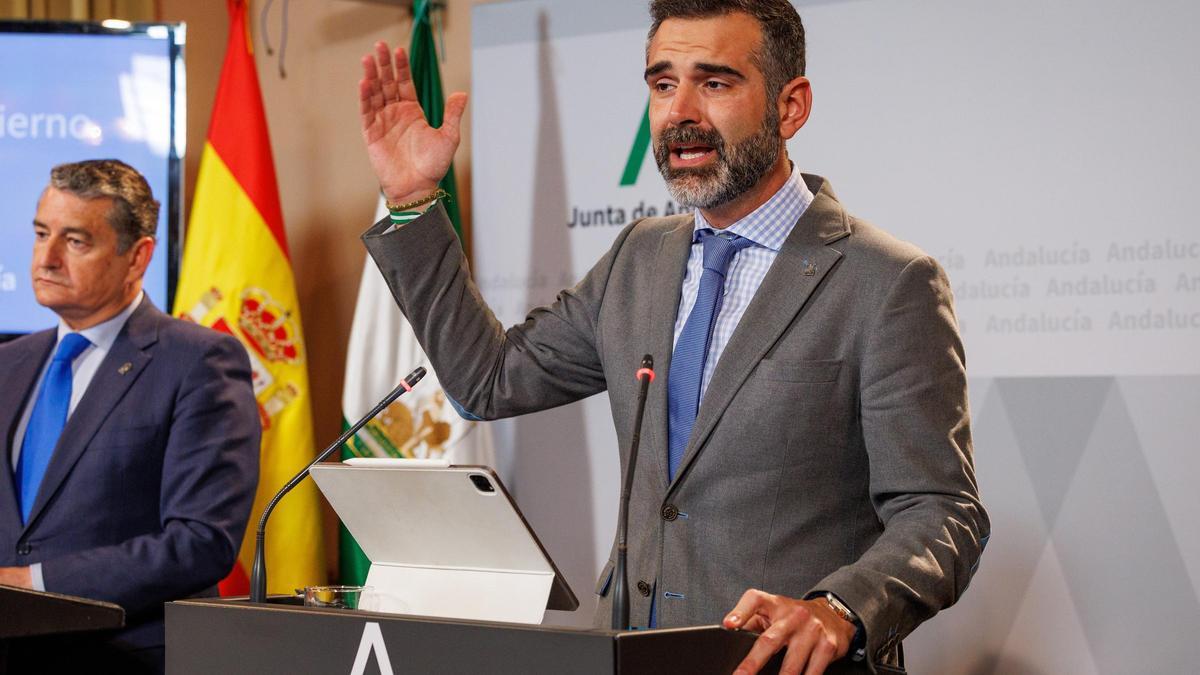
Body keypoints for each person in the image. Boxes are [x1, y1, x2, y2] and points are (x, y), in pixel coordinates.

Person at [356, 0, 989, 672]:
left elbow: (943, 512)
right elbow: (489, 379)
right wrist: (414, 199)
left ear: (790, 106)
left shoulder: (887, 282)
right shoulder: (640, 256)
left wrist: (840, 606)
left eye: (714, 83)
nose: (679, 111)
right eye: (663, 84)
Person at [0, 160, 260, 673]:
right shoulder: (8, 364)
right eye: (40, 233)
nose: (46, 258)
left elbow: (202, 541)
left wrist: (36, 582)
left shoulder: (198, 361)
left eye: (75, 241)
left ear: (138, 257)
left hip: (119, 658)